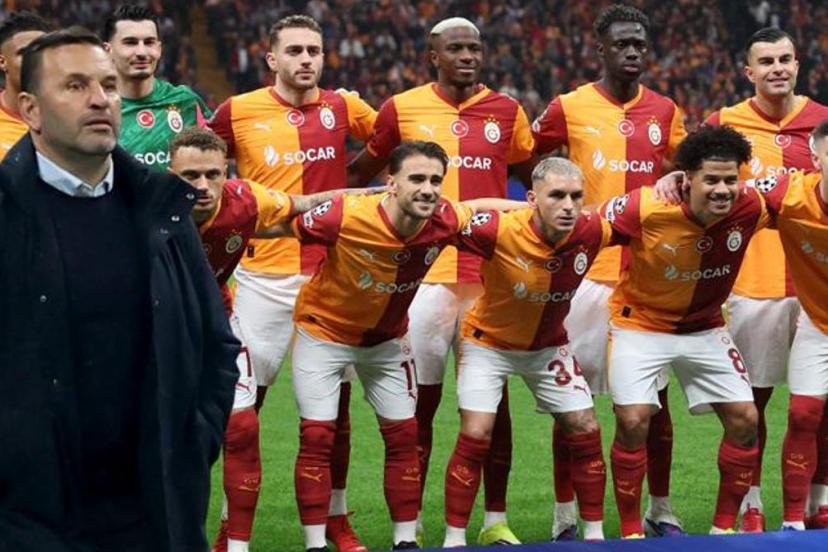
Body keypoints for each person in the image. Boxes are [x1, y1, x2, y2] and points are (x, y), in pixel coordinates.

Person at [0, 27, 238, 552]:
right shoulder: (7, 213)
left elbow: (216, 341)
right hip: (31, 518)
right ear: (30, 109)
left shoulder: (163, 207)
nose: (100, 99)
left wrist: (196, 440)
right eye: (75, 85)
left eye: (108, 85)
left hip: (153, 512)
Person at [276, 140, 524, 551]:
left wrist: (538, 209)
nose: (428, 189)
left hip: (387, 342)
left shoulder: (444, 219)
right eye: (417, 179)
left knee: (404, 437)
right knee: (317, 437)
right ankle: (315, 544)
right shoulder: (344, 215)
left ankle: (405, 542)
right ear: (391, 183)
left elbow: (480, 207)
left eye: (435, 181)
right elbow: (281, 225)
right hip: (324, 335)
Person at [348, 17, 535, 545]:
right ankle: (411, 521)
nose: (467, 56)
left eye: (475, 48)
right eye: (455, 49)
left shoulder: (507, 110)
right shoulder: (401, 108)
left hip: (489, 278)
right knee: (418, 405)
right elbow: (361, 174)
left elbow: (533, 177)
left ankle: (495, 520)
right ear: (434, 56)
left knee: (493, 404)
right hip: (422, 280)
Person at [209, 14, 377, 551]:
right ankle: (230, 527)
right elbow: (201, 164)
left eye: (314, 51)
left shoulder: (344, 107)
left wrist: (356, 185)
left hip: (331, 278)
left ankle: (337, 519)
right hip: (262, 277)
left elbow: (393, 144)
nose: (306, 59)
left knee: (336, 415)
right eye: (295, 51)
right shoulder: (237, 111)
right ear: (272, 59)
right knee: (244, 411)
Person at [167, 126, 367, 552]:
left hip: (219, 325)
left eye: (212, 174)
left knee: (242, 427)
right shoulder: (142, 209)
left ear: (227, 173)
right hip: (159, 334)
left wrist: (378, 196)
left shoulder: (246, 200)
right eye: (190, 176)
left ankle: (235, 546)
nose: (202, 186)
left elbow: (306, 204)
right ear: (170, 174)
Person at [531, 3, 687, 539]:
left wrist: (673, 178)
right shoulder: (568, 107)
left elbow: (685, 168)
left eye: (639, 43)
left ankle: (660, 509)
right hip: (582, 277)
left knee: (653, 404)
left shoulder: (665, 110)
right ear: (600, 49)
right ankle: (565, 515)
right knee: (571, 404)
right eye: (621, 43)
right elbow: (529, 163)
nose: (632, 52)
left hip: (645, 277)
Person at [655, 118, 828, 531]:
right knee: (803, 413)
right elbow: (728, 193)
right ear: (816, 158)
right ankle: (792, 523)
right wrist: (682, 178)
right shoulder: (788, 193)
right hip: (818, 324)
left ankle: (818, 503)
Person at [605, 125, 768, 537]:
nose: (722, 190)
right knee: (633, 420)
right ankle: (631, 532)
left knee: (746, 419)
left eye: (730, 180)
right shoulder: (645, 206)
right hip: (640, 325)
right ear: (688, 178)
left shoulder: (752, 205)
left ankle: (723, 531)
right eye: (711, 180)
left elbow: (807, 189)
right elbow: (584, 227)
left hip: (705, 328)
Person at [442, 157, 609, 547]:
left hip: (548, 347)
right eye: (556, 196)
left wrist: (674, 179)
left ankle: (596, 536)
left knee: (585, 427)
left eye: (576, 197)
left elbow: (644, 212)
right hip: (487, 344)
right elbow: (443, 217)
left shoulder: (593, 229)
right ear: (532, 199)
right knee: (476, 432)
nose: (568, 206)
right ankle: (454, 539)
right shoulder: (497, 229)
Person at [704, 27, 828, 532]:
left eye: (784, 59)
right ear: (748, 71)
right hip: (754, 285)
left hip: (816, 292)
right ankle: (750, 502)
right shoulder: (724, 124)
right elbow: (698, 183)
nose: (777, 68)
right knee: (751, 405)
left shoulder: (823, 123)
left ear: (797, 64)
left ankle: (818, 502)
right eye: (767, 61)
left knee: (817, 409)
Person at [103, 4, 210, 170]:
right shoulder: (97, 108)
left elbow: (215, 158)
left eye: (149, 42)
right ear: (107, 50)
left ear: (159, 49)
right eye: (130, 43)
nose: (141, 52)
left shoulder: (185, 101)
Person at [0, 11, 51, 158]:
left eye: (43, 52)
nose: (35, 61)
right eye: (24, 53)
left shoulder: (70, 118)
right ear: (2, 62)